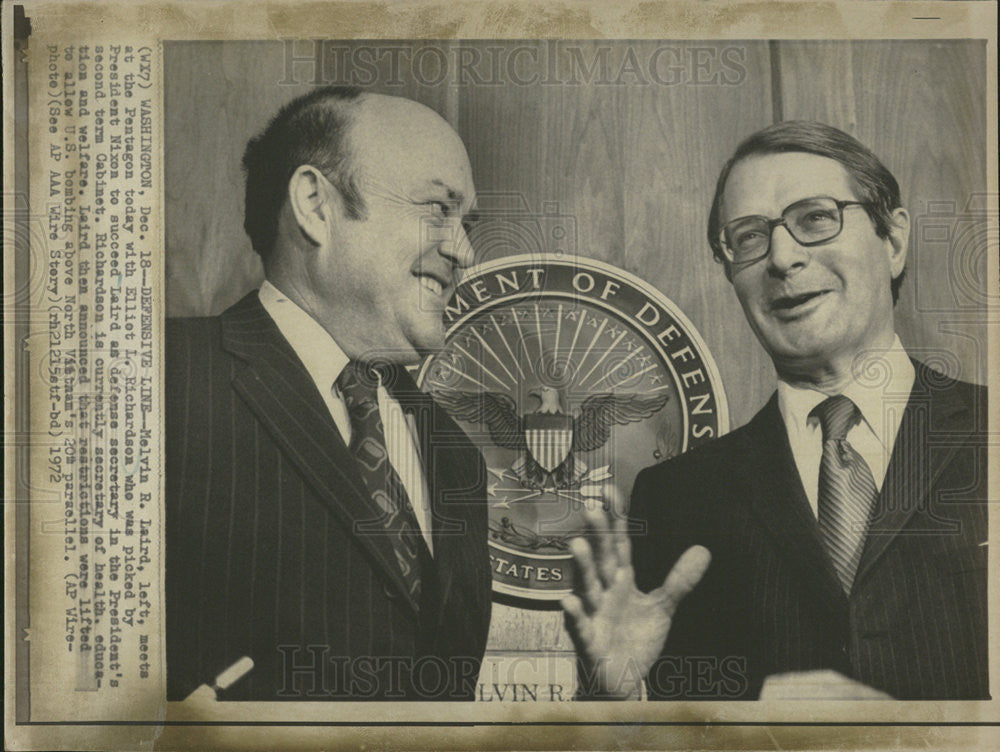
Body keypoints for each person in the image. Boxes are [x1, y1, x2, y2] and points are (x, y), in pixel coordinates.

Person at [562, 121, 988, 701]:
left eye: (815, 218)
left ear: (893, 241)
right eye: (749, 237)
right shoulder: (675, 498)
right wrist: (614, 700)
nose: (782, 258)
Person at [165, 86, 492, 701]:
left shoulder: (456, 452)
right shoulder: (157, 384)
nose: (464, 250)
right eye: (438, 208)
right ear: (316, 205)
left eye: (466, 222)